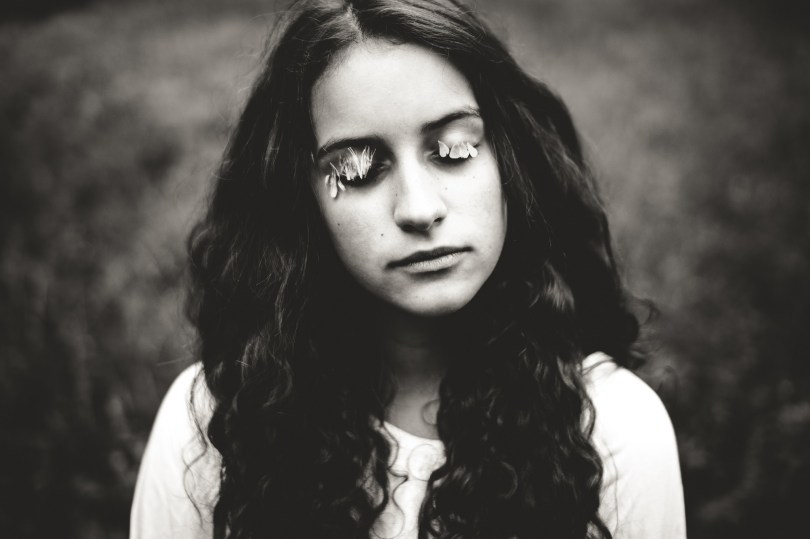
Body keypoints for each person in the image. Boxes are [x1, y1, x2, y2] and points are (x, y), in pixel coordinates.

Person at [130, 0, 686, 537]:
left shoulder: (612, 427)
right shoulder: (217, 426)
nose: (419, 209)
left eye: (455, 149)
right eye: (357, 170)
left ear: (510, 160)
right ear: (301, 202)